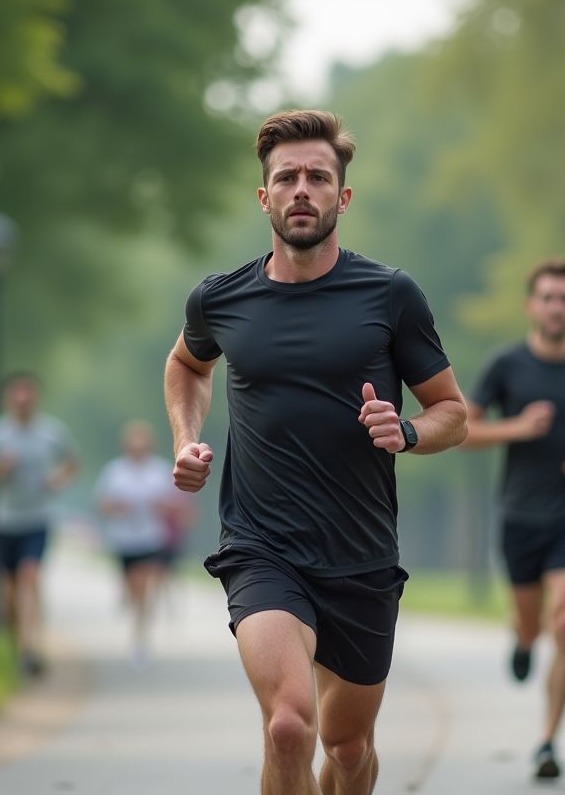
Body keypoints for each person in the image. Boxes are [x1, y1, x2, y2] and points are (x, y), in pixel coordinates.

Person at [164, 109, 467, 795]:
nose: (302, 188)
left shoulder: (389, 295)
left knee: (349, 750)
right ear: (264, 195)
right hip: (261, 546)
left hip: (361, 555)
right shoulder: (220, 299)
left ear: (343, 196)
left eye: (318, 177)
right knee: (289, 726)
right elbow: (186, 364)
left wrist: (407, 431)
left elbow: (454, 414)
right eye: (287, 177)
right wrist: (185, 438)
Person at [460, 258, 565, 781]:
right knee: (533, 623)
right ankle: (524, 638)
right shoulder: (505, 365)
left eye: (564, 299)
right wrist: (517, 428)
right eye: (548, 298)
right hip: (521, 516)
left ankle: (548, 740)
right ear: (531, 306)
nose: (556, 307)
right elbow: (463, 430)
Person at [0, 372, 79, 676]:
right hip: (3, 521)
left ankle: (31, 649)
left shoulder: (51, 432)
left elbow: (72, 461)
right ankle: (19, 647)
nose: (22, 400)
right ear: (8, 399)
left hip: (37, 519)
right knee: (8, 594)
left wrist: (58, 479)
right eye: (17, 395)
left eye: (28, 394)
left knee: (30, 577)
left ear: (36, 398)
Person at [93, 419, 178, 669]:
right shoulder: (115, 471)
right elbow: (102, 504)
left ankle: (139, 640)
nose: (138, 450)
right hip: (123, 540)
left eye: (142, 446)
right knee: (133, 590)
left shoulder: (160, 471)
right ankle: (132, 607)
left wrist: (161, 507)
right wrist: (118, 507)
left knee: (144, 588)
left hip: (151, 537)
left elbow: (175, 505)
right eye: (134, 446)